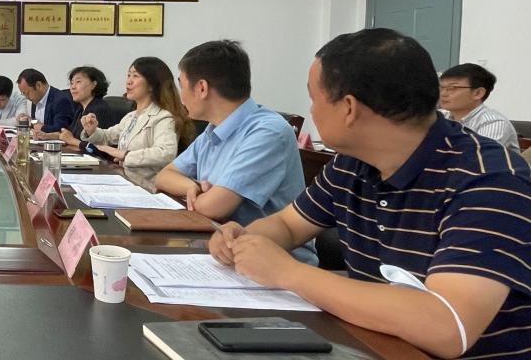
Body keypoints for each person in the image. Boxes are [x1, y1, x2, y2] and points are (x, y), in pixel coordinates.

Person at [209, 29, 531, 359]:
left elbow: (448, 326)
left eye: (314, 99)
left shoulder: (488, 178)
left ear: (349, 108)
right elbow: (289, 225)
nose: (312, 111)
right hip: (374, 344)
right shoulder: (353, 162)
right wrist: (244, 240)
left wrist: (288, 273)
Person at [155, 40, 316, 264]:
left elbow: (214, 207)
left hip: (273, 263)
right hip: (221, 250)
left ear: (201, 88)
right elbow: (164, 176)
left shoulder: (268, 131)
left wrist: (202, 197)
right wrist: (192, 187)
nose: (181, 97)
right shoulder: (213, 130)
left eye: (182, 85)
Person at [78, 57, 182, 191]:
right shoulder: (131, 116)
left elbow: (166, 153)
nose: (129, 81)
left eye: (135, 76)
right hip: (125, 182)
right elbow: (108, 136)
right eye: (128, 75)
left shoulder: (163, 117)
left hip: (147, 188)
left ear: (152, 85)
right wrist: (92, 130)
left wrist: (125, 155)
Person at [439, 63, 519, 152]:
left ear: (478, 93)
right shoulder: (440, 116)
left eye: (452, 88)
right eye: (441, 87)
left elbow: (478, 157)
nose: (443, 93)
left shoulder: (493, 123)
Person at [56, 65, 121, 144]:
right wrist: (46, 135)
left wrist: (71, 140)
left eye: (78, 82)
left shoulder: (99, 109)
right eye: (71, 83)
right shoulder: (80, 109)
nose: (72, 87)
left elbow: (96, 146)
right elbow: (69, 134)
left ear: (93, 84)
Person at [18, 68, 76, 135]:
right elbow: (37, 124)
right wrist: (30, 120)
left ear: (38, 85)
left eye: (27, 93)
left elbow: (61, 129)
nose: (26, 97)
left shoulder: (60, 100)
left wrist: (41, 127)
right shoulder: (36, 98)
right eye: (24, 94)